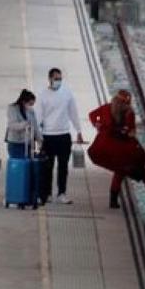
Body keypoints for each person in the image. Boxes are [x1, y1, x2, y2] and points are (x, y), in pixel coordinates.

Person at [88, 89, 145, 209]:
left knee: (120, 172)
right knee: (140, 172)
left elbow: (92, 115)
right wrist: (128, 132)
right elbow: (131, 132)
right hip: (123, 150)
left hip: (106, 148)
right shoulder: (129, 113)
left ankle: (113, 201)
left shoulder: (107, 108)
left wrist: (97, 125)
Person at [37, 67, 84, 204]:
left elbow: (73, 112)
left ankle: (62, 193)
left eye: (60, 79)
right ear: (50, 79)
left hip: (64, 135)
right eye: (56, 79)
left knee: (63, 167)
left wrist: (79, 130)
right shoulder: (43, 95)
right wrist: (38, 136)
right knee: (48, 167)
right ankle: (47, 193)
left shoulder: (67, 93)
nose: (58, 81)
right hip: (48, 135)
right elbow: (38, 116)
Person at [5, 89, 43, 159]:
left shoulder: (31, 111)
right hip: (15, 143)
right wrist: (25, 124)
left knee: (28, 164)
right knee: (19, 164)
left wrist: (40, 140)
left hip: (28, 143)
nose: (31, 106)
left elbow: (35, 127)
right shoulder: (12, 109)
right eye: (30, 104)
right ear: (24, 102)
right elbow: (12, 125)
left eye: (32, 105)